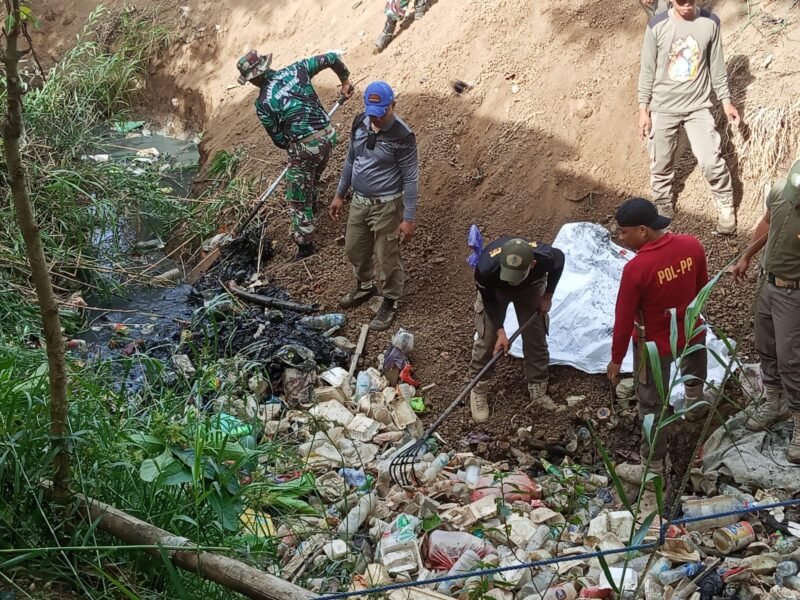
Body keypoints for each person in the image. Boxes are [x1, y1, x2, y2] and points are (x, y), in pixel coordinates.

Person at [607, 198, 709, 484]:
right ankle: (693, 409)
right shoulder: (692, 246)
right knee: (694, 379)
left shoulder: (637, 268)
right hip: (691, 333)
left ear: (642, 230)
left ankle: (652, 471)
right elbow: (702, 290)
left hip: (654, 346)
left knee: (652, 406)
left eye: (624, 232)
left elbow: (624, 319)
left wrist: (616, 360)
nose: (620, 237)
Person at [237, 50, 352, 259]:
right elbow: (332, 58)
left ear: (253, 79)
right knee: (312, 172)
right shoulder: (298, 69)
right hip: (328, 136)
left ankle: (305, 246)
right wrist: (345, 81)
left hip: (306, 147)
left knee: (297, 198)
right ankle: (313, 202)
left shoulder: (263, 103)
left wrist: (294, 141)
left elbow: (280, 141)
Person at [637, 0, 741, 234]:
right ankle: (663, 205)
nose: (686, 6)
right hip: (664, 106)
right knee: (660, 162)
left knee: (710, 160)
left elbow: (717, 68)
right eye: (680, 1)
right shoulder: (657, 25)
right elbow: (647, 70)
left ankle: (725, 204)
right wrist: (644, 108)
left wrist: (726, 101)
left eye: (690, 1)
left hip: (698, 107)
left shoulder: (709, 23)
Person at [330, 81, 419, 332]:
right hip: (358, 201)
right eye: (373, 114)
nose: (376, 120)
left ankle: (390, 299)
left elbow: (411, 178)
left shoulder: (402, 136)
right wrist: (340, 194)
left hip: (387, 205)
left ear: (393, 105)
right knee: (354, 248)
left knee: (387, 256)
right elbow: (351, 160)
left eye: (382, 114)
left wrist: (408, 218)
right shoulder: (360, 122)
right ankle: (365, 286)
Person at [730, 160, 800, 464]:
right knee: (766, 346)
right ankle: (774, 403)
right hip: (767, 284)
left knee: (791, 358)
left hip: (793, 293)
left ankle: (799, 421)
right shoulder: (780, 191)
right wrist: (747, 255)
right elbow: (769, 224)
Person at [468, 237, 565, 423]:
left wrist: (548, 295)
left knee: (535, 336)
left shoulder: (546, 256)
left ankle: (538, 389)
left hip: (531, 287)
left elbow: (559, 263)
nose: (513, 283)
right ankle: (478, 387)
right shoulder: (486, 268)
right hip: (495, 291)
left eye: (516, 276)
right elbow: (488, 300)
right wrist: (500, 332)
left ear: (533, 264)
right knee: (487, 339)